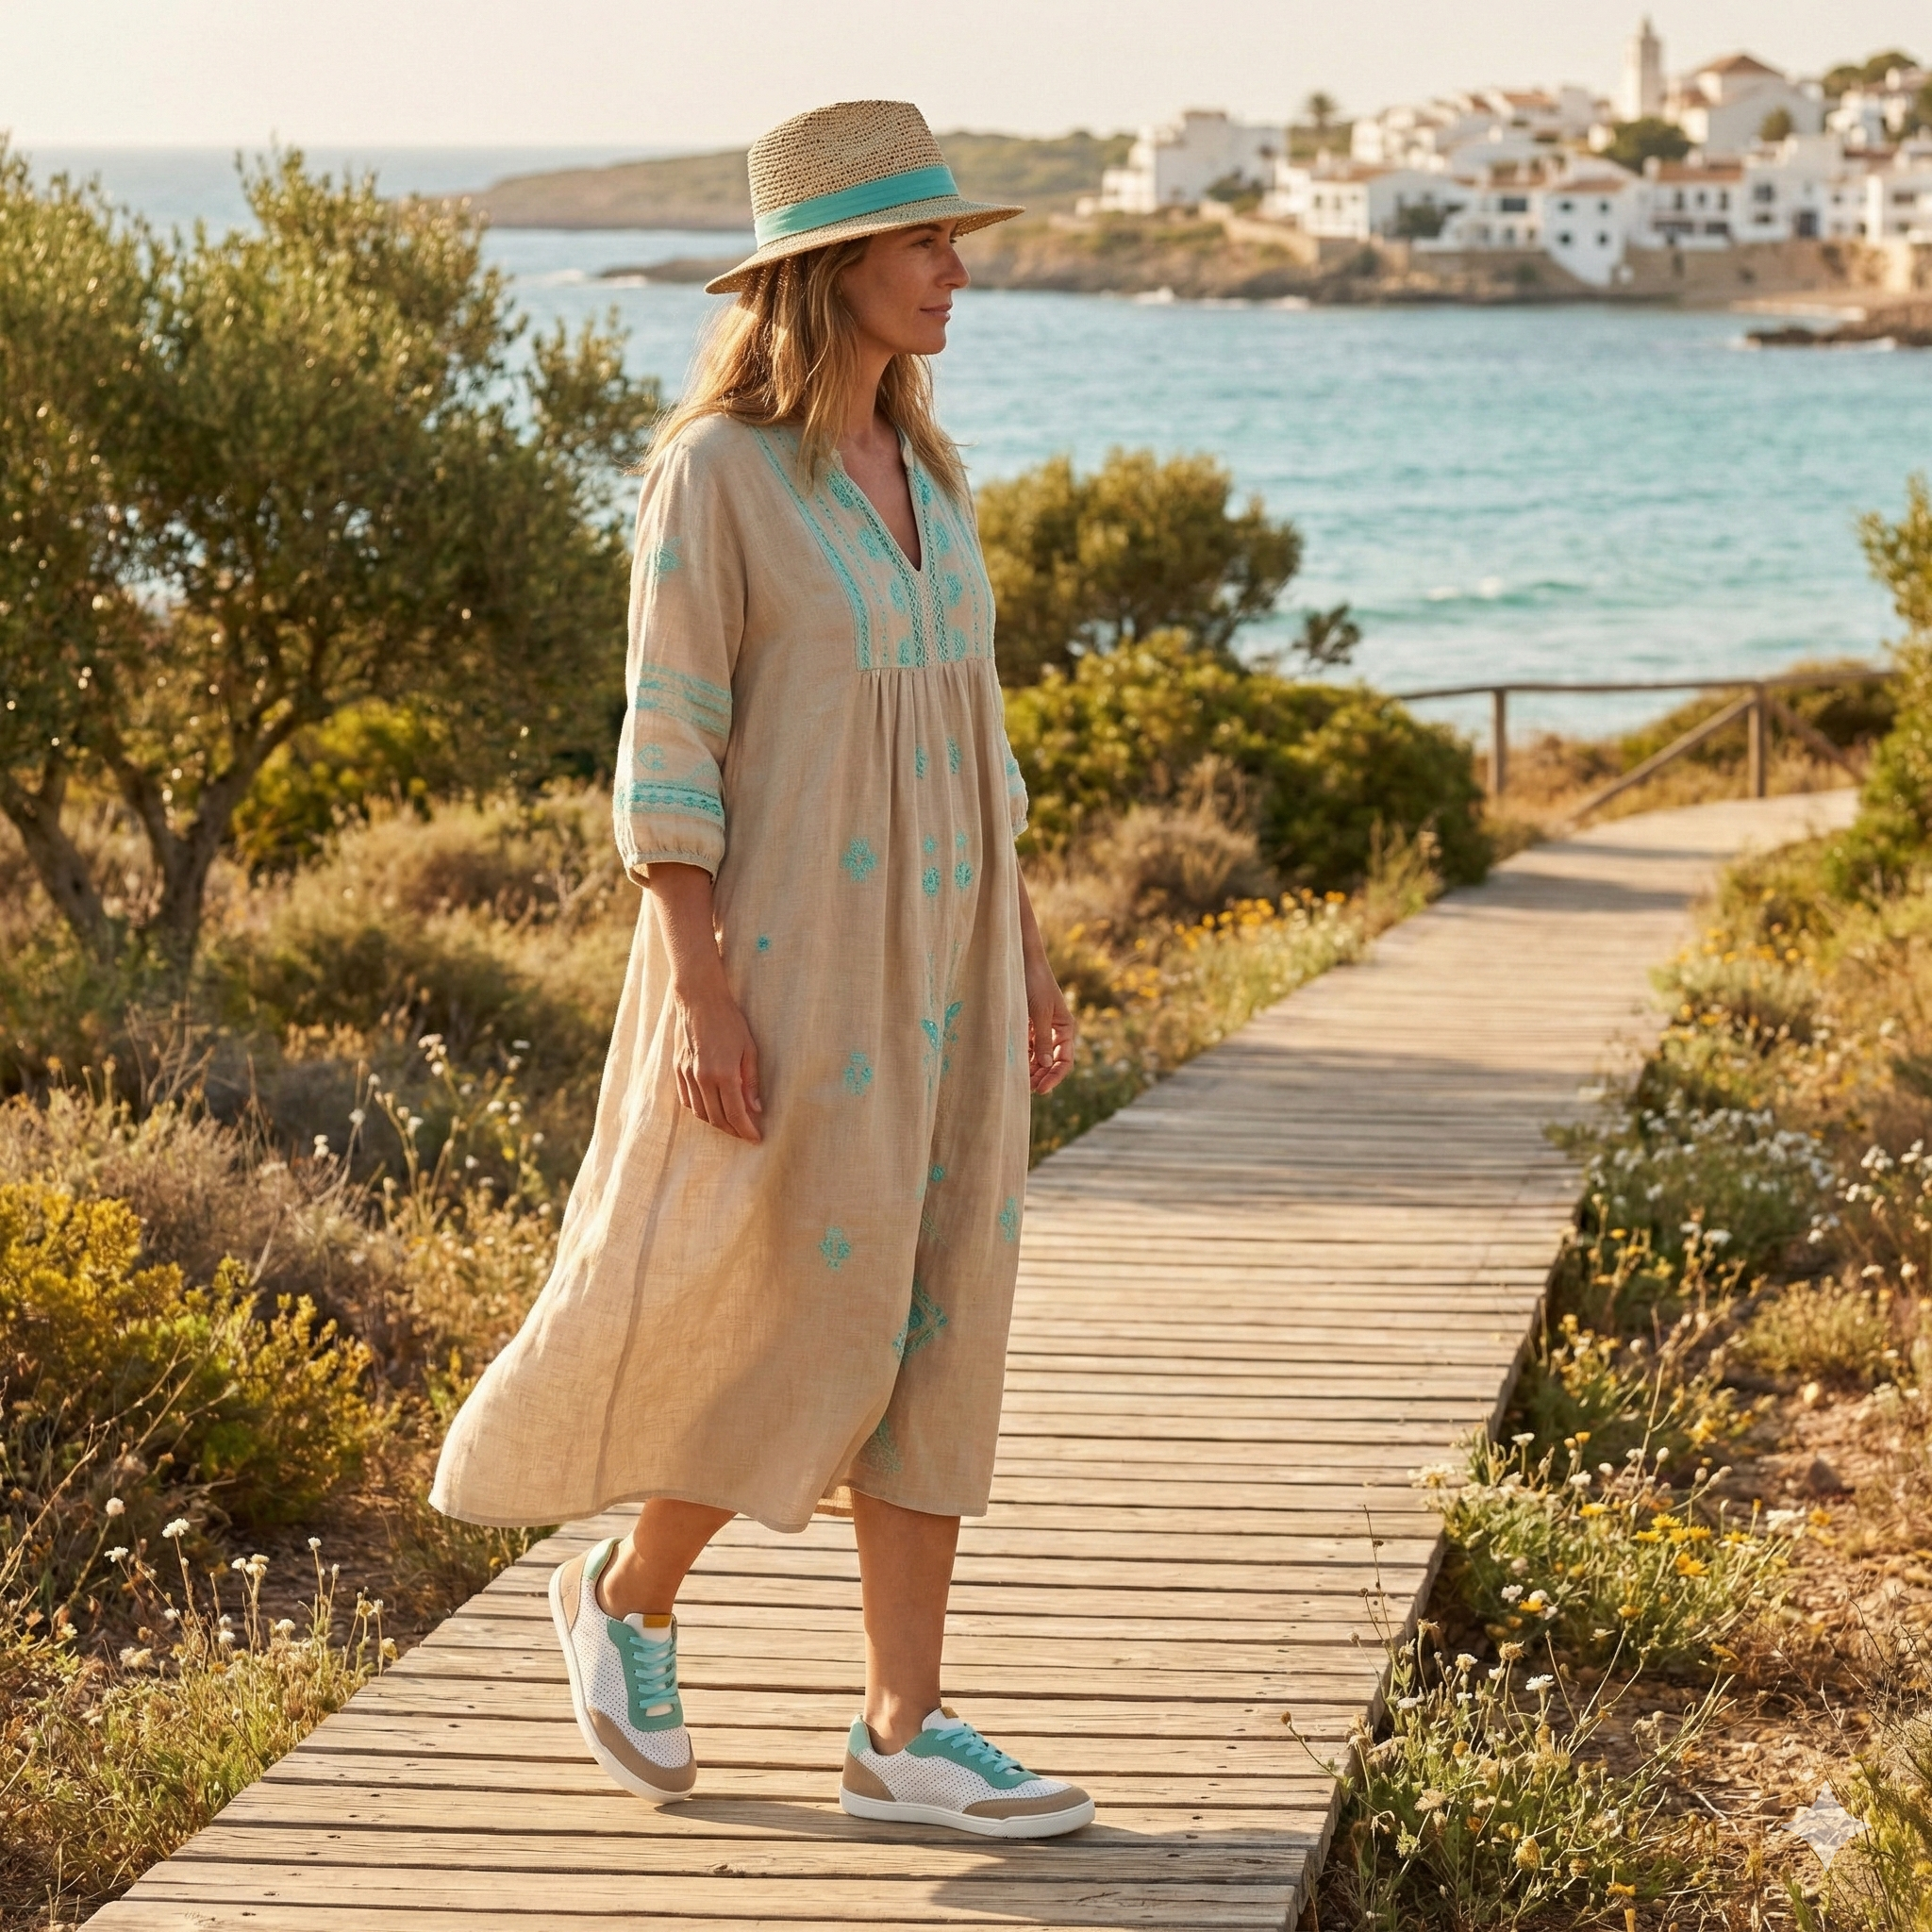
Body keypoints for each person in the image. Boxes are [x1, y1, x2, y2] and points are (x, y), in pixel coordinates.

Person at [430, 99, 1091, 1840]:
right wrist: (706, 995)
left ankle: (902, 1728)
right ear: (830, 272)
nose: (958, 273)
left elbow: (979, 748)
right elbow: (670, 750)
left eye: (956, 242)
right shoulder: (715, 474)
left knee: (942, 1319)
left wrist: (1021, 952)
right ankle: (630, 1595)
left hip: (948, 956)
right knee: (806, 1306)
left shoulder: (932, 476)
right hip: (789, 963)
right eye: (925, 244)